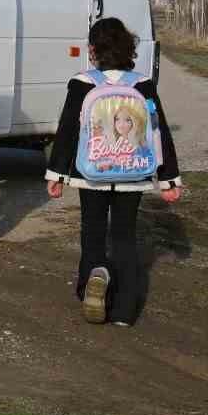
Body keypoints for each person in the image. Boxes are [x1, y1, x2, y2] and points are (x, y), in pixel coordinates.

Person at [45, 18, 181, 326]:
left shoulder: (82, 82)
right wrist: (168, 179)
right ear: (128, 48)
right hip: (133, 174)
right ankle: (124, 310)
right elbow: (158, 131)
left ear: (93, 50)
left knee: (92, 233)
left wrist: (57, 175)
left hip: (91, 173)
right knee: (124, 237)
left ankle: (93, 281)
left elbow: (67, 131)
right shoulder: (142, 84)